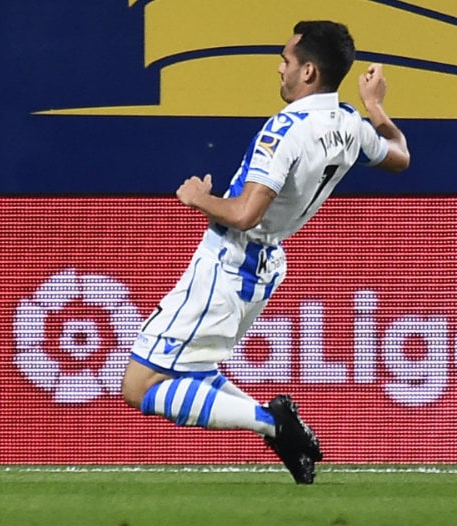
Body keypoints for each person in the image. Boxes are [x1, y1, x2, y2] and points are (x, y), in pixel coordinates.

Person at [120, 21, 409, 483]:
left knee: (139, 385)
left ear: (309, 71)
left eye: (287, 60)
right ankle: (278, 428)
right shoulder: (351, 124)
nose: (280, 68)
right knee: (194, 369)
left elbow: (247, 212)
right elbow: (399, 155)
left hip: (229, 261)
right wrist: (375, 106)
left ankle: (273, 424)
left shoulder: (286, 129)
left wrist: (197, 197)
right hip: (265, 267)